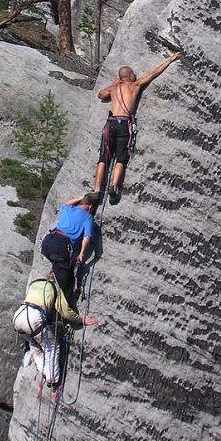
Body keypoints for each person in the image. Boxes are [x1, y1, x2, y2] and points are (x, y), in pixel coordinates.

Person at [95, 52, 182, 204]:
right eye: (133, 74)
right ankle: (114, 187)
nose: (135, 75)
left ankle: (96, 190)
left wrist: (114, 84)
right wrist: (170, 59)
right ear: (128, 76)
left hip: (111, 123)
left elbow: (100, 95)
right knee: (121, 159)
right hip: (125, 125)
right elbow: (154, 73)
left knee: (103, 158)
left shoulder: (113, 88)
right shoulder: (135, 86)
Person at [12, 272, 97, 394]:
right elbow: (65, 311)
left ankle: (38, 362)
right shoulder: (53, 288)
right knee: (52, 347)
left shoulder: (34, 284)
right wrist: (80, 320)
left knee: (35, 345)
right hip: (33, 320)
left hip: (18, 316)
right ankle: (51, 378)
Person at [40, 193, 97, 303]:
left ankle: (52, 280)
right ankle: (58, 308)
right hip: (62, 247)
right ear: (90, 207)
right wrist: (81, 254)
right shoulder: (88, 217)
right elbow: (87, 237)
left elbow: (67, 203)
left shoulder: (68, 208)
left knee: (57, 267)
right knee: (64, 284)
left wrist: (81, 198)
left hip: (48, 241)